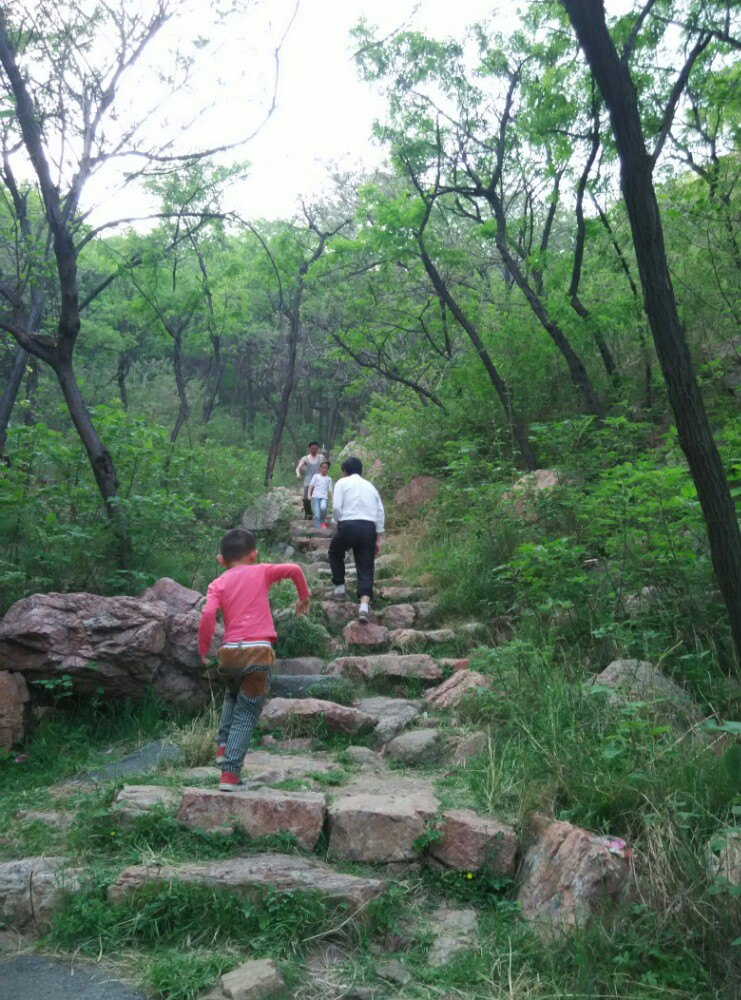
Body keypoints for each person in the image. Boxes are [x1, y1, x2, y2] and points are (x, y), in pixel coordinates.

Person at [198, 527, 310, 791]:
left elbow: (207, 616)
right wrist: (303, 598)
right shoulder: (261, 570)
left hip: (229, 655)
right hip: (258, 652)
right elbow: (294, 568)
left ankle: (223, 747)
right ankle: (230, 775)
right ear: (254, 555)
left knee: (232, 695)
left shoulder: (217, 583)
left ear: (220, 560)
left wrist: (204, 650)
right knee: (247, 713)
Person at [329, 456, 385, 623]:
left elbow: (337, 507)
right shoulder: (371, 486)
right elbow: (380, 512)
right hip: (368, 528)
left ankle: (339, 588)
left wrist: (337, 522)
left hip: (349, 524)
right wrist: (379, 536)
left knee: (334, 552)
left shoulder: (341, 483)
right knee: (366, 566)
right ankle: (363, 606)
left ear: (344, 471)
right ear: (360, 470)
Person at [295, 441, 327, 520]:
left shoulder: (321, 457)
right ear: (309, 449)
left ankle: (320, 515)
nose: (314, 450)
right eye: (313, 448)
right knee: (306, 498)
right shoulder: (305, 458)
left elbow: (326, 466)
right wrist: (298, 474)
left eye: (316, 448)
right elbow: (298, 467)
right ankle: (308, 514)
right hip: (308, 481)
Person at [307, 460, 333, 529]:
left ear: (328, 469)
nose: (324, 469)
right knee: (317, 515)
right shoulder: (316, 476)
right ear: (320, 468)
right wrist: (309, 495)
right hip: (315, 497)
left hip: (324, 498)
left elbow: (330, 490)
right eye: (323, 467)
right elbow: (311, 485)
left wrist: (333, 499)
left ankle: (322, 521)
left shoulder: (329, 479)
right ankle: (317, 529)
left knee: (323, 508)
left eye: (326, 468)